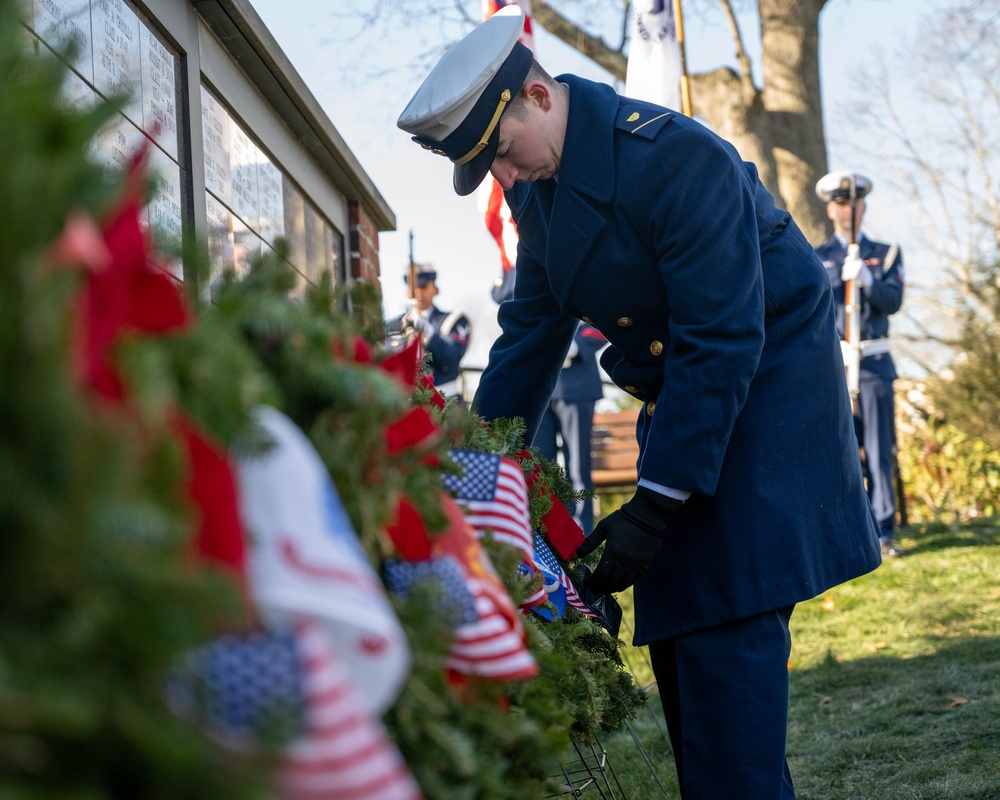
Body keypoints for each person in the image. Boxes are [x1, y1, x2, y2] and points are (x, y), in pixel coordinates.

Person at [396, 7, 881, 798]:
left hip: (760, 400)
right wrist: (473, 468)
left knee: (725, 638)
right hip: (686, 396)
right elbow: (527, 337)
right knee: (684, 641)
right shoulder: (539, 189)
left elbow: (725, 340)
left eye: (501, 152)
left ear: (540, 99)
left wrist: (653, 507)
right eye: (486, 167)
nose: (503, 179)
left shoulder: (675, 159)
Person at [814, 171, 905, 558]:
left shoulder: (885, 253)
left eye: (854, 203)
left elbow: (893, 301)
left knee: (879, 449)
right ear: (831, 209)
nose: (848, 210)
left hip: (874, 364)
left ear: (863, 206)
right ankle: (855, 526)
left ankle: (884, 528)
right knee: (843, 450)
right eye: (841, 204)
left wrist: (868, 279)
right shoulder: (818, 256)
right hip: (838, 366)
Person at [534, 322, 607, 535]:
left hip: (576, 389)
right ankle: (547, 531)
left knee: (577, 467)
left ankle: (580, 533)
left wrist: (554, 342)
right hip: (539, 389)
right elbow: (502, 294)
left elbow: (602, 326)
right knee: (541, 468)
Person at [387, 264, 471, 403]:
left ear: (435, 289)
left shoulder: (454, 320)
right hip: (406, 402)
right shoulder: (394, 325)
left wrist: (428, 334)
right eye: (414, 287)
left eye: (424, 286)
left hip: (446, 400)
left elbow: (452, 358)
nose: (419, 292)